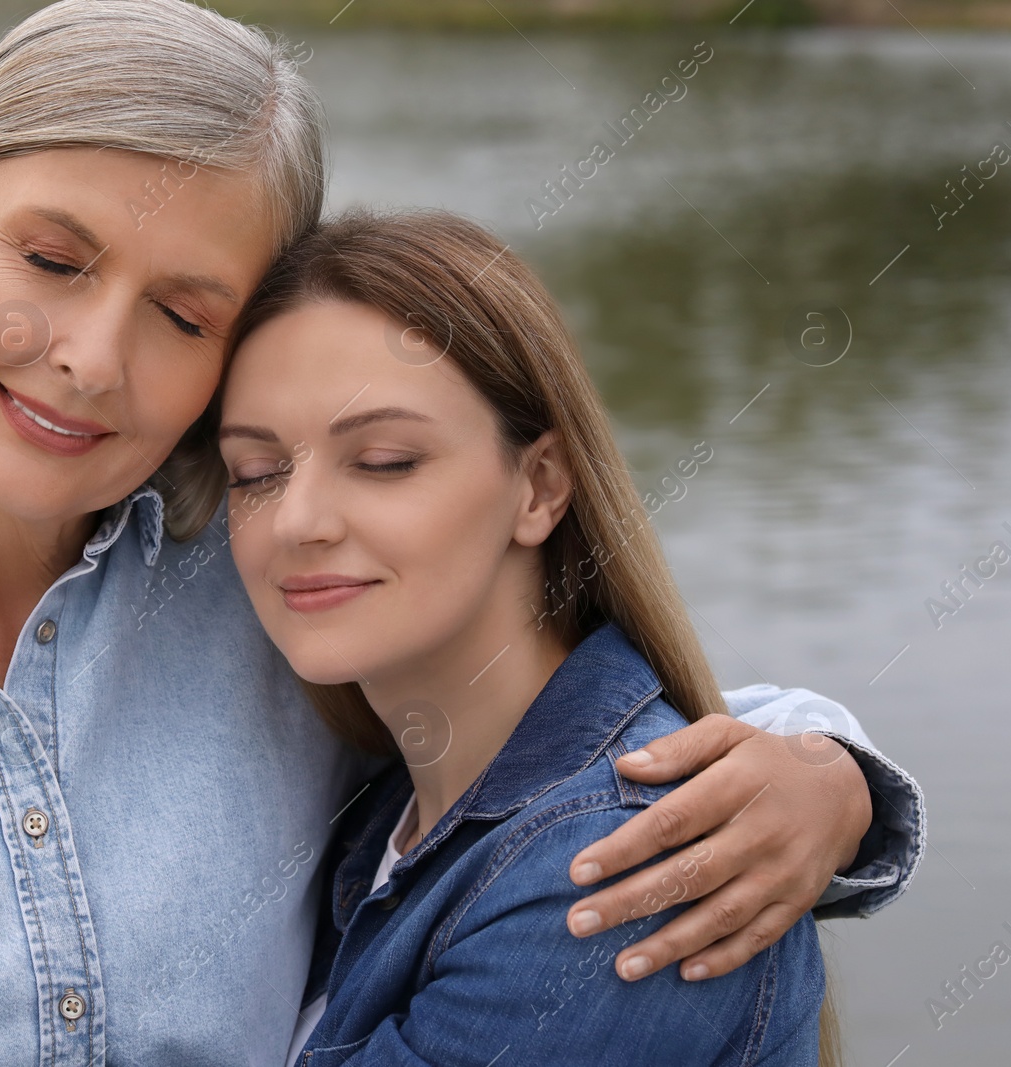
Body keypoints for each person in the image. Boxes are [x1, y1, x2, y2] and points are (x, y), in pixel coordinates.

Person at [0, 3, 922, 1066]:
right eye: (53, 260)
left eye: (184, 316)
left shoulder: (264, 579)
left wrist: (823, 773)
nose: (88, 357)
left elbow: (548, 745)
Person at [215, 209, 838, 1064]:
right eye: (256, 471)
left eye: (386, 459)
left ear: (539, 486)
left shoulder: (615, 868)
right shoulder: (385, 809)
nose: (297, 519)